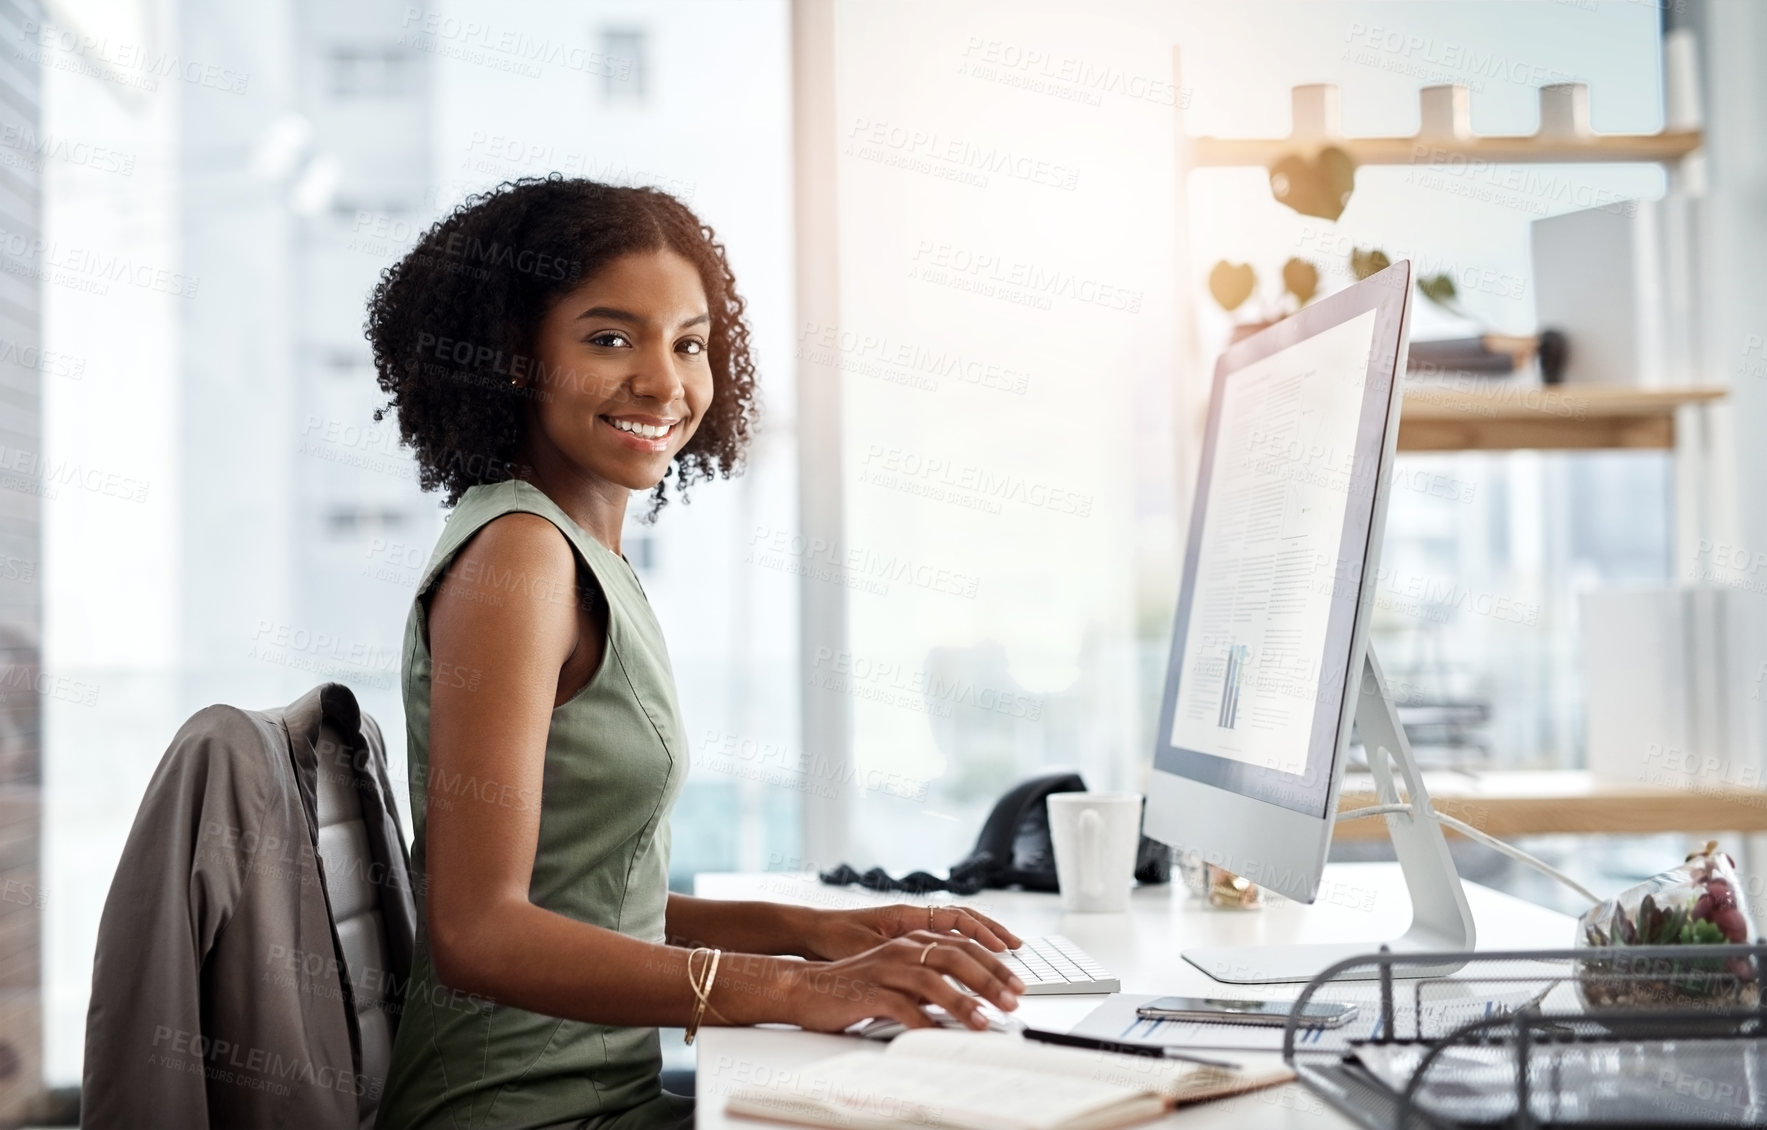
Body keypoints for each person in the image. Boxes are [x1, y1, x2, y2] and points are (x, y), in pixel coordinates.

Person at [366, 176, 1025, 1130]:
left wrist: (813, 937)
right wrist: (795, 989)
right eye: (609, 338)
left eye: (688, 343)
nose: (664, 383)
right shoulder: (518, 557)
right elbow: (478, 932)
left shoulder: (576, 549)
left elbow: (585, 895)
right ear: (516, 358)